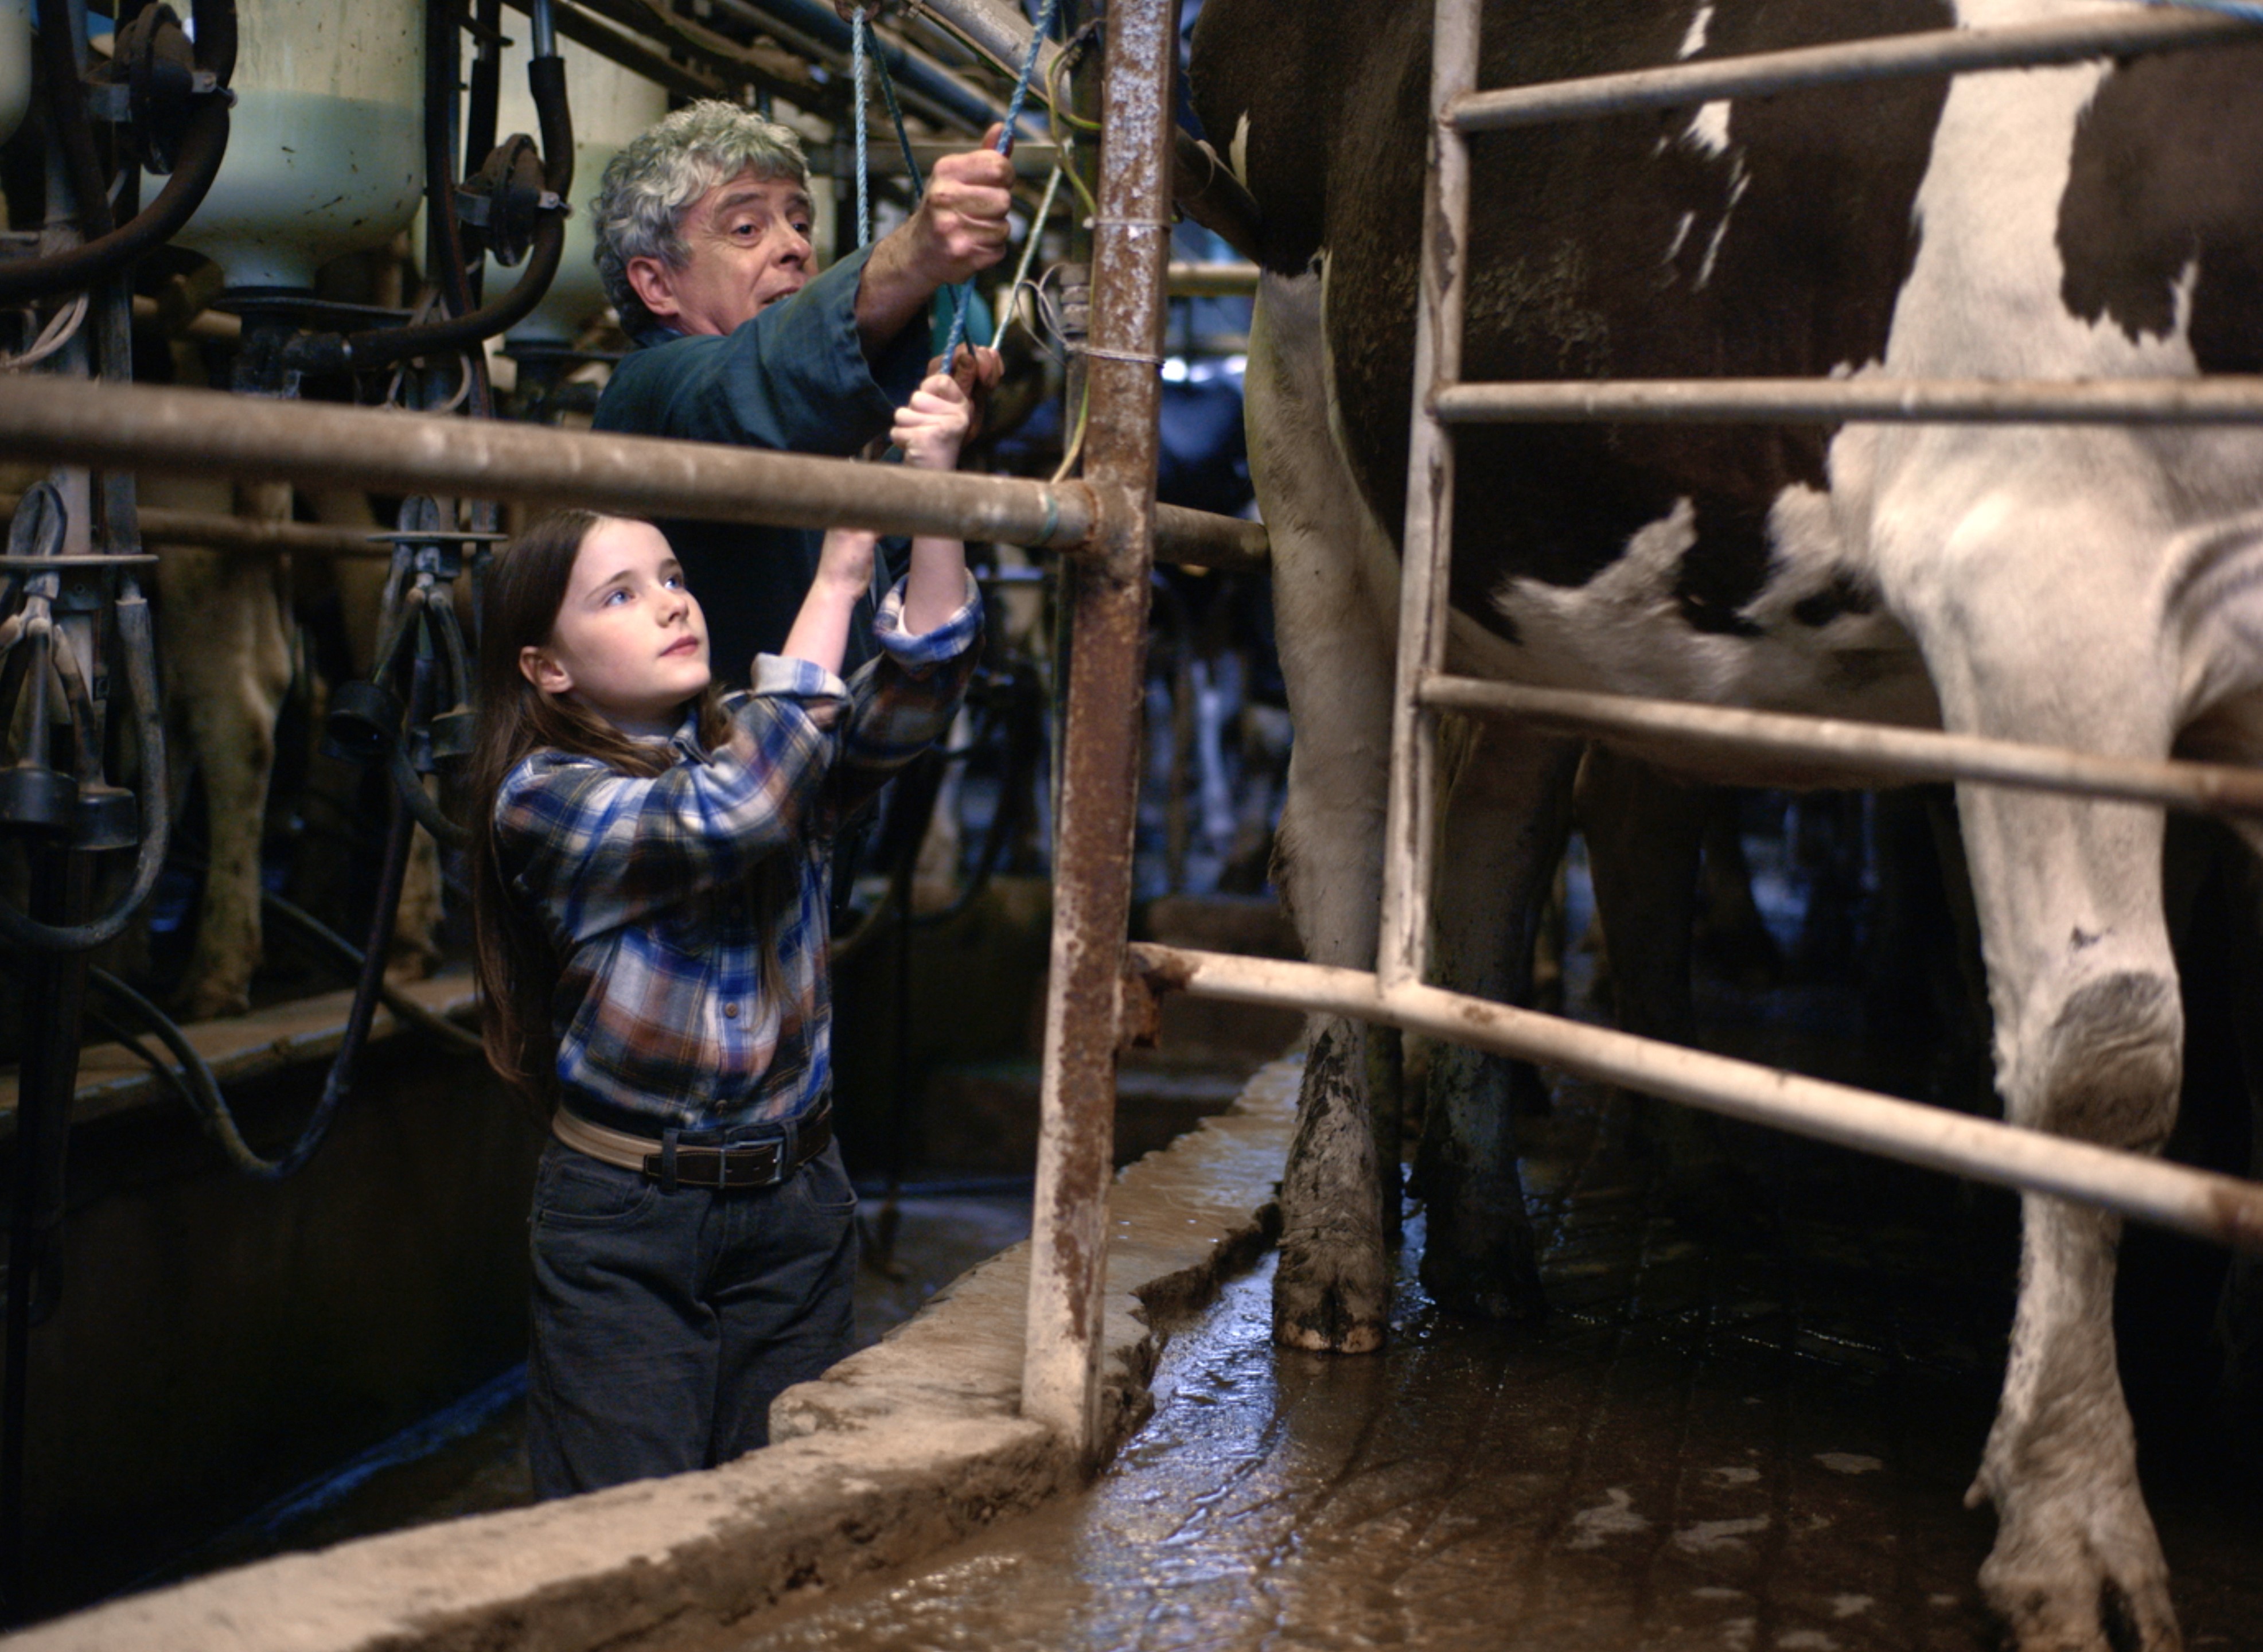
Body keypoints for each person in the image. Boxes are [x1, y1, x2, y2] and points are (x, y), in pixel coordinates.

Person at [469, 372, 983, 1497]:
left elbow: (917, 697)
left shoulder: (754, 748)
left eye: (672, 577)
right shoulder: (542, 798)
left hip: (797, 1207)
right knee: (622, 1539)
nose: (669, 602)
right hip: (627, 1223)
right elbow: (736, 816)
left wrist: (935, 488)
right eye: (618, 596)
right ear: (544, 669)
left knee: (776, 1526)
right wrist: (839, 571)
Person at [589, 99, 1011, 677]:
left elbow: (866, 582)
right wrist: (916, 255)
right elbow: (761, 373)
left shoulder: (783, 434)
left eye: (800, 222)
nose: (796, 246)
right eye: (746, 228)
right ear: (657, 285)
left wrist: (929, 454)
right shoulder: (656, 389)